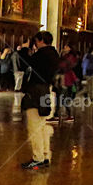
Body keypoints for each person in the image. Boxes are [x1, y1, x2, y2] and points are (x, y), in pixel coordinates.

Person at [20, 31, 60, 170]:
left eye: (36, 41)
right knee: (42, 125)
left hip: (36, 92)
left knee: (34, 127)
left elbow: (24, 63)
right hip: (46, 91)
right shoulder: (54, 54)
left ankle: (38, 158)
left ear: (41, 40)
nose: (35, 44)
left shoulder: (42, 54)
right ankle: (44, 155)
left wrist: (24, 48)